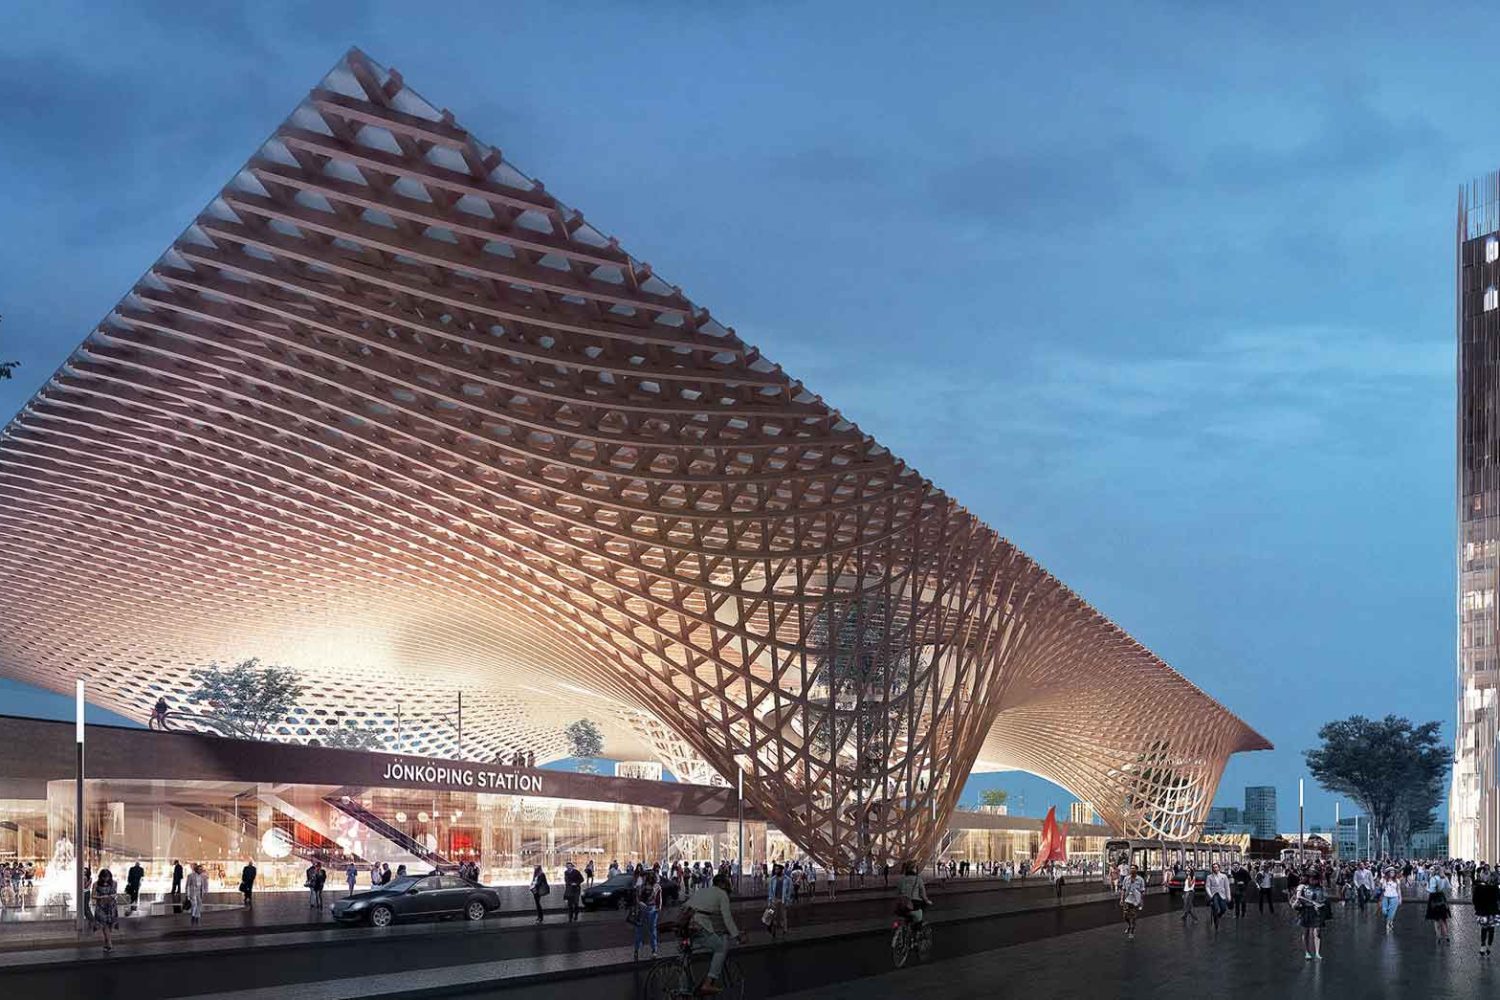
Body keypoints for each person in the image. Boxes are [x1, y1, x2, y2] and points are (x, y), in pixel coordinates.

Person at [687, 872, 746, 995]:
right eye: (727, 883)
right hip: (698, 925)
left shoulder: (703, 891)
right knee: (720, 948)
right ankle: (708, 983)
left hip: (685, 924)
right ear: (722, 884)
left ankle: (683, 987)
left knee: (686, 956)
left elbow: (713, 916)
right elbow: (727, 918)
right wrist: (737, 935)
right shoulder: (722, 894)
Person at [1293, 873, 1326, 960]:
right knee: (1306, 932)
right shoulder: (1302, 887)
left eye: (1316, 879)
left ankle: (1317, 953)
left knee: (1317, 931)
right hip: (1306, 910)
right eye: (1312, 879)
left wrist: (1321, 903)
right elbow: (1298, 897)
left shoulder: (1320, 888)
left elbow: (1324, 898)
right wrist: (1312, 902)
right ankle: (1307, 952)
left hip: (1316, 910)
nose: (1314, 881)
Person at [634, 870, 663, 960]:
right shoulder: (655, 887)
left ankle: (639, 950)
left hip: (647, 909)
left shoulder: (644, 886)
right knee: (650, 930)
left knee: (641, 930)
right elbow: (659, 900)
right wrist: (658, 909)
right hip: (650, 909)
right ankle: (652, 951)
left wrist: (639, 904)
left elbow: (637, 898)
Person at [92, 868, 119, 953]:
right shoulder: (96, 884)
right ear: (101, 877)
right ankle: (110, 944)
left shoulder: (114, 883)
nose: (106, 879)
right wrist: (101, 897)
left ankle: (106, 943)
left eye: (108, 877)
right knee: (104, 925)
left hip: (111, 906)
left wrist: (112, 896)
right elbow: (93, 896)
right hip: (101, 907)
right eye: (104, 877)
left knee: (110, 926)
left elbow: (115, 893)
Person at [1475, 865, 1499, 956]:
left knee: (1484, 929)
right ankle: (1489, 946)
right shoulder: (1495, 888)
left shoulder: (1479, 888)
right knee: (1491, 929)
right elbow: (1498, 899)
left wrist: (1477, 909)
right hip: (1493, 911)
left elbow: (1475, 900)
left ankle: (1483, 946)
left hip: (1483, 911)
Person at [1119, 864, 1146, 939]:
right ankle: (1129, 925)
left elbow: (1142, 891)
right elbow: (1123, 889)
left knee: (1133, 917)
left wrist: (1141, 901)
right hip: (1127, 900)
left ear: (1136, 870)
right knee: (1125, 916)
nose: (1132, 869)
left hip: (1135, 901)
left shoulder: (1140, 879)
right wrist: (1121, 899)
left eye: (1133, 868)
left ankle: (1132, 931)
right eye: (1131, 868)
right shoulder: (1126, 879)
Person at [1426, 866, 1452, 942]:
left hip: (1434, 899)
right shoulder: (1445, 878)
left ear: (1435, 871)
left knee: (1436, 919)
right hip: (1442, 897)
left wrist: (1426, 888)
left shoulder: (1433, 879)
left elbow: (1432, 891)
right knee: (1444, 918)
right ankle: (1446, 935)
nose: (1430, 871)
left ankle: (1439, 936)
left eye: (1432, 869)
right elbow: (1449, 887)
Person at [766, 863, 791, 938]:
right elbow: (770, 891)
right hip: (774, 901)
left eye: (777, 869)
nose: (776, 871)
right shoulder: (772, 879)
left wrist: (787, 901)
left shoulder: (787, 879)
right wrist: (769, 901)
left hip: (783, 901)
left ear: (781, 870)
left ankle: (784, 930)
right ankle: (773, 929)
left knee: (783, 916)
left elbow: (789, 891)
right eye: (775, 869)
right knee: (772, 915)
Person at [1205, 863, 1231, 929]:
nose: (1215, 869)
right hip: (1214, 894)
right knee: (1215, 908)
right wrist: (1210, 895)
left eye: (1216, 867)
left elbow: (1227, 887)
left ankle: (1218, 915)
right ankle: (1216, 921)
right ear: (1212, 869)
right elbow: (1207, 886)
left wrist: (1228, 896)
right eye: (1214, 867)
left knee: (1223, 908)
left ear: (1219, 868)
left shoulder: (1224, 876)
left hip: (1222, 894)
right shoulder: (1209, 877)